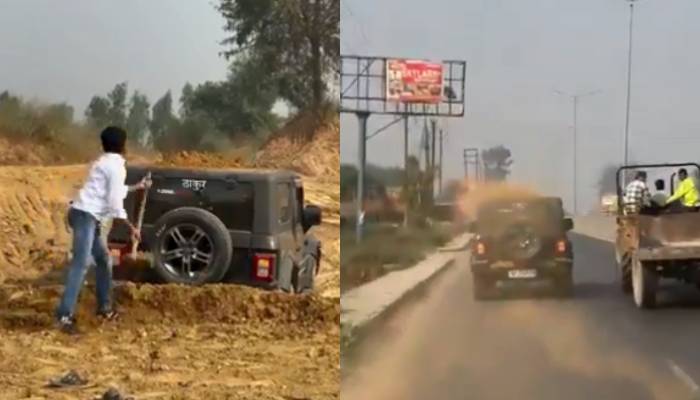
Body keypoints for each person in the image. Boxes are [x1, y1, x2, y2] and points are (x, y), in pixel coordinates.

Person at [55, 126, 150, 334]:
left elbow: (111, 191)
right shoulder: (116, 167)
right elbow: (115, 203)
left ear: (103, 144)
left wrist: (137, 187)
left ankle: (104, 308)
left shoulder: (103, 162)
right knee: (81, 264)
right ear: (124, 145)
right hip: (85, 217)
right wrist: (131, 227)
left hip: (86, 216)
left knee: (104, 259)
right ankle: (64, 316)